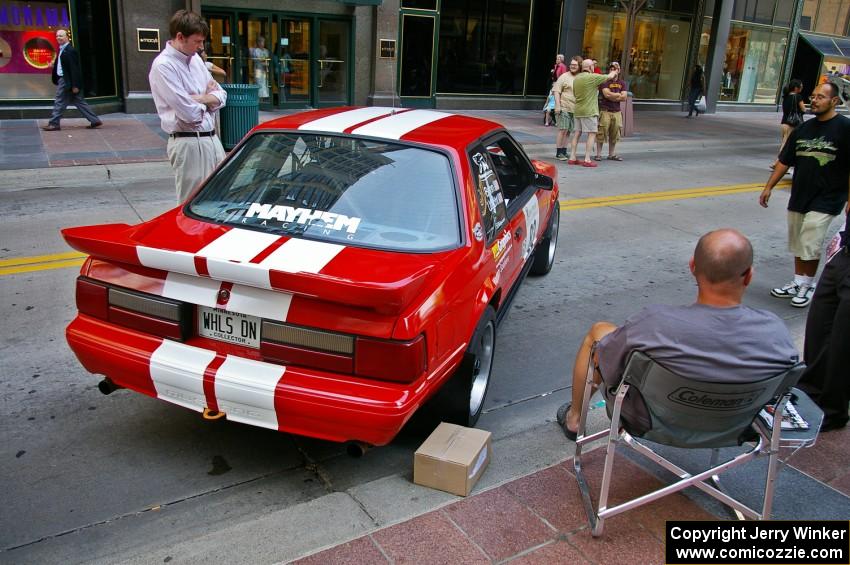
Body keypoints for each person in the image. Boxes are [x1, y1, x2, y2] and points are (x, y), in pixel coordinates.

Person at [556, 229, 799, 440]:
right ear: (749, 276)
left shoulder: (654, 325)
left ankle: (575, 419)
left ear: (692, 267)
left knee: (599, 333)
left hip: (650, 423)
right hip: (735, 428)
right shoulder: (775, 331)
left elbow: (610, 362)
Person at [759, 82, 850, 308]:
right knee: (799, 241)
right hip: (800, 195)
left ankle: (807, 285)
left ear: (834, 101)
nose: (814, 100)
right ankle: (798, 280)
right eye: (813, 96)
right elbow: (784, 161)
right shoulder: (803, 129)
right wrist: (768, 186)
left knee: (810, 241)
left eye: (821, 97)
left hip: (828, 197)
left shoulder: (845, 128)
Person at [149, 10, 227, 202]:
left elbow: (222, 96)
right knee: (191, 202)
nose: (201, 47)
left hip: (211, 139)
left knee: (219, 198)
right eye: (197, 41)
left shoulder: (197, 62)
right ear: (180, 37)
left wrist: (200, 98)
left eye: (202, 41)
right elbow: (189, 114)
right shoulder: (164, 66)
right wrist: (209, 99)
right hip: (189, 142)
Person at [799, 212, 849, 432]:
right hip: (844, 252)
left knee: (842, 342)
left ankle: (832, 411)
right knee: (819, 328)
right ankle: (808, 393)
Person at [43, 29, 102, 131]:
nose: (58, 38)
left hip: (66, 81)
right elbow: (64, 66)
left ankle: (54, 123)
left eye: (61, 36)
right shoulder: (62, 49)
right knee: (78, 101)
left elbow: (74, 69)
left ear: (67, 37)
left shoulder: (70, 51)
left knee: (59, 101)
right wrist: (53, 66)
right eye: (57, 36)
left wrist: (75, 85)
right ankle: (95, 120)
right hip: (66, 80)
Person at [568, 59, 618, 168]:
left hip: (578, 110)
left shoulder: (577, 78)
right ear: (590, 67)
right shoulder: (592, 77)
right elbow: (609, 77)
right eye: (593, 66)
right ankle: (587, 159)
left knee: (577, 133)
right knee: (592, 134)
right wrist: (615, 70)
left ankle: (572, 157)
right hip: (589, 110)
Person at [595, 63, 628, 162]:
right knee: (601, 132)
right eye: (611, 68)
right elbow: (606, 94)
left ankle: (611, 154)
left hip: (617, 112)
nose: (613, 70)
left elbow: (624, 97)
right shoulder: (605, 81)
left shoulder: (622, 83)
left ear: (619, 70)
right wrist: (618, 95)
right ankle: (598, 155)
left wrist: (613, 96)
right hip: (605, 111)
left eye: (616, 68)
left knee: (615, 133)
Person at [771, 79, 805, 170]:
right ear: (796, 88)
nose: (802, 88)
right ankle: (777, 163)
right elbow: (803, 109)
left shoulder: (785, 97)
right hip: (793, 124)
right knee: (786, 145)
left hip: (784, 122)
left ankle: (783, 164)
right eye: (801, 86)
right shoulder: (798, 97)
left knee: (786, 143)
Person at [552, 56, 581, 160]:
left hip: (575, 109)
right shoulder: (564, 76)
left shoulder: (581, 77)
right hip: (564, 107)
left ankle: (564, 151)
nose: (573, 66)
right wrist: (558, 105)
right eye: (571, 65)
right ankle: (558, 152)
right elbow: (556, 91)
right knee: (563, 130)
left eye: (575, 65)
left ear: (579, 66)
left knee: (569, 131)